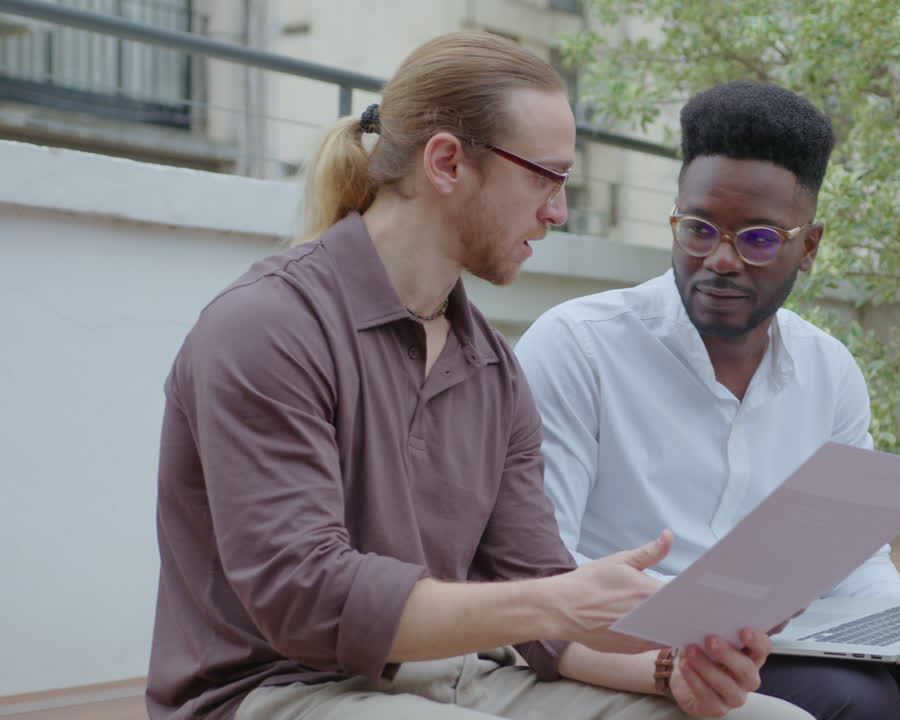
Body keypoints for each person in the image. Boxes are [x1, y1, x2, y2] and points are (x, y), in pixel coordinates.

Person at [146, 35, 812, 720]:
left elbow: (539, 606)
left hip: (458, 680)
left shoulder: (493, 368)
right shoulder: (266, 328)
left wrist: (670, 664)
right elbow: (307, 598)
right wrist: (558, 600)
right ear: (446, 163)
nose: (557, 211)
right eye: (543, 178)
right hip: (278, 692)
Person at [514, 81, 900, 720]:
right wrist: (653, 663)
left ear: (808, 247)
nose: (721, 260)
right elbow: (543, 575)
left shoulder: (829, 370)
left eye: (758, 239)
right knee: (857, 704)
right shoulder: (577, 348)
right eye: (698, 230)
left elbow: (857, 559)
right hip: (637, 654)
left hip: (797, 645)